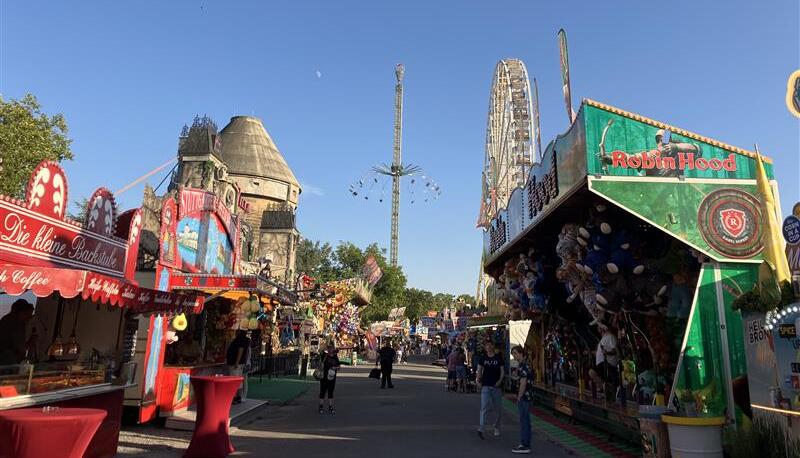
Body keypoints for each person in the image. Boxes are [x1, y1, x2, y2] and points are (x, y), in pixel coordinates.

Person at [477, 339, 505, 439]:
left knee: (498, 409)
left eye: (490, 345)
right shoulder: (483, 358)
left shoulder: (498, 358)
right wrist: (478, 380)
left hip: (496, 387)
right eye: (486, 345)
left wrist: (500, 381)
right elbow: (479, 370)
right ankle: (481, 428)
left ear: (493, 346)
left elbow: (502, 371)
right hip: (485, 386)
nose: (488, 347)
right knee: (484, 408)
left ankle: (496, 426)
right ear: (485, 347)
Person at [511, 346, 533, 454]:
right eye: (513, 354)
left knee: (524, 421)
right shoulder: (522, 365)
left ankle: (525, 444)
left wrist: (519, 396)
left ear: (521, 353)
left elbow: (523, 383)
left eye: (515, 353)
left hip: (524, 396)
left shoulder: (524, 366)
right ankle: (525, 443)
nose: (514, 356)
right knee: (525, 420)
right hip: (526, 396)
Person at [589, 325, 619, 401]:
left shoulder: (611, 336)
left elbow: (615, 350)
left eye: (599, 326)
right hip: (602, 363)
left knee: (592, 372)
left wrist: (607, 353)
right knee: (602, 381)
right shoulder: (604, 338)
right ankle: (606, 391)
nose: (598, 328)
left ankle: (605, 390)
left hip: (608, 364)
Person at [0, 300, 34, 366]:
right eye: (28, 315)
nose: (29, 318)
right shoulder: (18, 324)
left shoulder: (5, 319)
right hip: (7, 360)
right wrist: (32, 340)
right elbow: (22, 348)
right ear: (21, 312)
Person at [225, 330, 251, 404]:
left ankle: (235, 397)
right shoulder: (245, 340)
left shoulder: (240, 340)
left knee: (234, 380)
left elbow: (241, 350)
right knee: (238, 380)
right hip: (239, 363)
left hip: (236, 363)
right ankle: (238, 397)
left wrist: (237, 362)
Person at [319, 345, 341, 414]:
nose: (332, 350)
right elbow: (320, 350)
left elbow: (338, 366)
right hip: (324, 377)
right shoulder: (324, 356)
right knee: (322, 392)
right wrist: (325, 346)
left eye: (332, 349)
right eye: (330, 349)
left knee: (330, 392)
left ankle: (330, 407)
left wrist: (335, 368)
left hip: (332, 377)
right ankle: (321, 407)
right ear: (328, 350)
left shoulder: (335, 357)